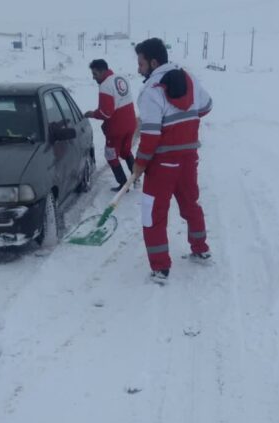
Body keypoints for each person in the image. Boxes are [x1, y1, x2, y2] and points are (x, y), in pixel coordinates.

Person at [131, 38, 213, 282]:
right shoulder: (189, 78)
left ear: (153, 62)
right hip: (188, 157)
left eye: (141, 63)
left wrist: (140, 164)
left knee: (153, 214)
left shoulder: (150, 91)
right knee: (190, 204)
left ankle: (160, 267)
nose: (138, 69)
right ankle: (201, 249)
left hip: (163, 163)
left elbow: (151, 136)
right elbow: (207, 106)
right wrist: (185, 119)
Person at [84, 59, 137, 191]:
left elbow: (106, 113)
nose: (93, 77)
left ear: (102, 71)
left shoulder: (105, 86)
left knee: (111, 155)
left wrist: (92, 114)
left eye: (95, 74)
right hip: (130, 123)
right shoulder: (120, 78)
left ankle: (123, 184)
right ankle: (136, 177)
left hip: (116, 128)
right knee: (125, 151)